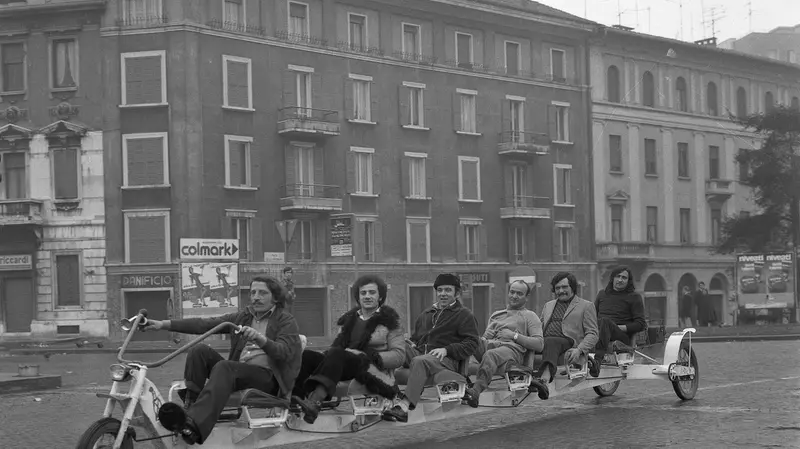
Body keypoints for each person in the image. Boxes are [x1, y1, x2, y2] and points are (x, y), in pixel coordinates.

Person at [144, 276, 302, 445]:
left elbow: (284, 353)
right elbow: (204, 324)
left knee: (226, 367)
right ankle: (190, 409)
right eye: (253, 292)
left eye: (262, 293)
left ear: (275, 297)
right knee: (199, 350)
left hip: (269, 379)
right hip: (239, 372)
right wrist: (162, 324)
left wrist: (260, 339)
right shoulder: (243, 317)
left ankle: (195, 425)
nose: (256, 297)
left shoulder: (286, 320)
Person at [292, 275, 406, 424]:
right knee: (307, 356)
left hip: (369, 369)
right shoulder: (350, 321)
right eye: (363, 293)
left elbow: (399, 356)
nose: (367, 296)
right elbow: (337, 347)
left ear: (380, 296)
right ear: (358, 297)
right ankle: (296, 401)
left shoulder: (390, 323)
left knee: (337, 353)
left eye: (372, 292)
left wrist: (368, 355)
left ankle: (315, 402)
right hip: (343, 362)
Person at [382, 273, 480, 422]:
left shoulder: (464, 315)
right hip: (422, 353)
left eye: (448, 290)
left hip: (447, 360)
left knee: (420, 361)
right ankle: (393, 394)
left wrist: (447, 349)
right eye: (440, 290)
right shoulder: (427, 314)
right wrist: (410, 342)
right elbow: (417, 338)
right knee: (392, 347)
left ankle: (404, 407)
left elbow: (472, 343)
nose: (443, 294)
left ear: (457, 293)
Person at [462, 280, 546, 408]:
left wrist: (514, 336)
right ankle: (456, 380)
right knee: (468, 338)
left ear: (526, 297)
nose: (514, 296)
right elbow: (485, 338)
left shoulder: (530, 316)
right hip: (492, 346)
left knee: (491, 355)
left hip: (511, 350)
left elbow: (539, 344)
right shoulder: (496, 315)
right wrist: (485, 338)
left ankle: (476, 391)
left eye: (519, 293)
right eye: (512, 292)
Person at [529, 272, 598, 400]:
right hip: (545, 341)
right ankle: (522, 377)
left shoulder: (586, 306)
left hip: (569, 342)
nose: (561, 291)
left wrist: (579, 350)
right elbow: (540, 326)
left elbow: (593, 334)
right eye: (557, 288)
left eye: (564, 287)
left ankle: (543, 380)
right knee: (526, 342)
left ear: (572, 287)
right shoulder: (548, 305)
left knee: (551, 341)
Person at [592, 267, 647, 365]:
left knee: (605, 321)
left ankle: (597, 360)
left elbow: (641, 324)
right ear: (612, 278)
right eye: (618, 276)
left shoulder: (634, 297)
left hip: (621, 336)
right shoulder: (602, 294)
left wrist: (619, 328)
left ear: (628, 281)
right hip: (599, 331)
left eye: (624, 278)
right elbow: (592, 316)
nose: (620, 280)